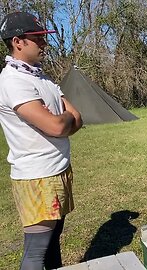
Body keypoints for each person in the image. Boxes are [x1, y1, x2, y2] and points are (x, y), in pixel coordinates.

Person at [0, 12, 83, 269]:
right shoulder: (13, 81)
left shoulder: (41, 78)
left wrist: (65, 120)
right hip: (37, 177)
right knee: (36, 251)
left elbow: (77, 118)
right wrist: (63, 119)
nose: (45, 44)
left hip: (57, 170)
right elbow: (58, 125)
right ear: (18, 41)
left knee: (53, 241)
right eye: (38, 38)